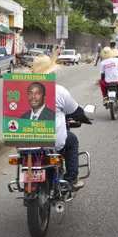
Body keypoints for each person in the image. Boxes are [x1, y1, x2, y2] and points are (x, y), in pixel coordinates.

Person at [31, 54, 92, 190]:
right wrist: (83, 118)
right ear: (52, 72)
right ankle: (71, 178)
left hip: (25, 141)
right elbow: (75, 111)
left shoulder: (21, 90)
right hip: (53, 141)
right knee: (72, 140)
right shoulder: (58, 91)